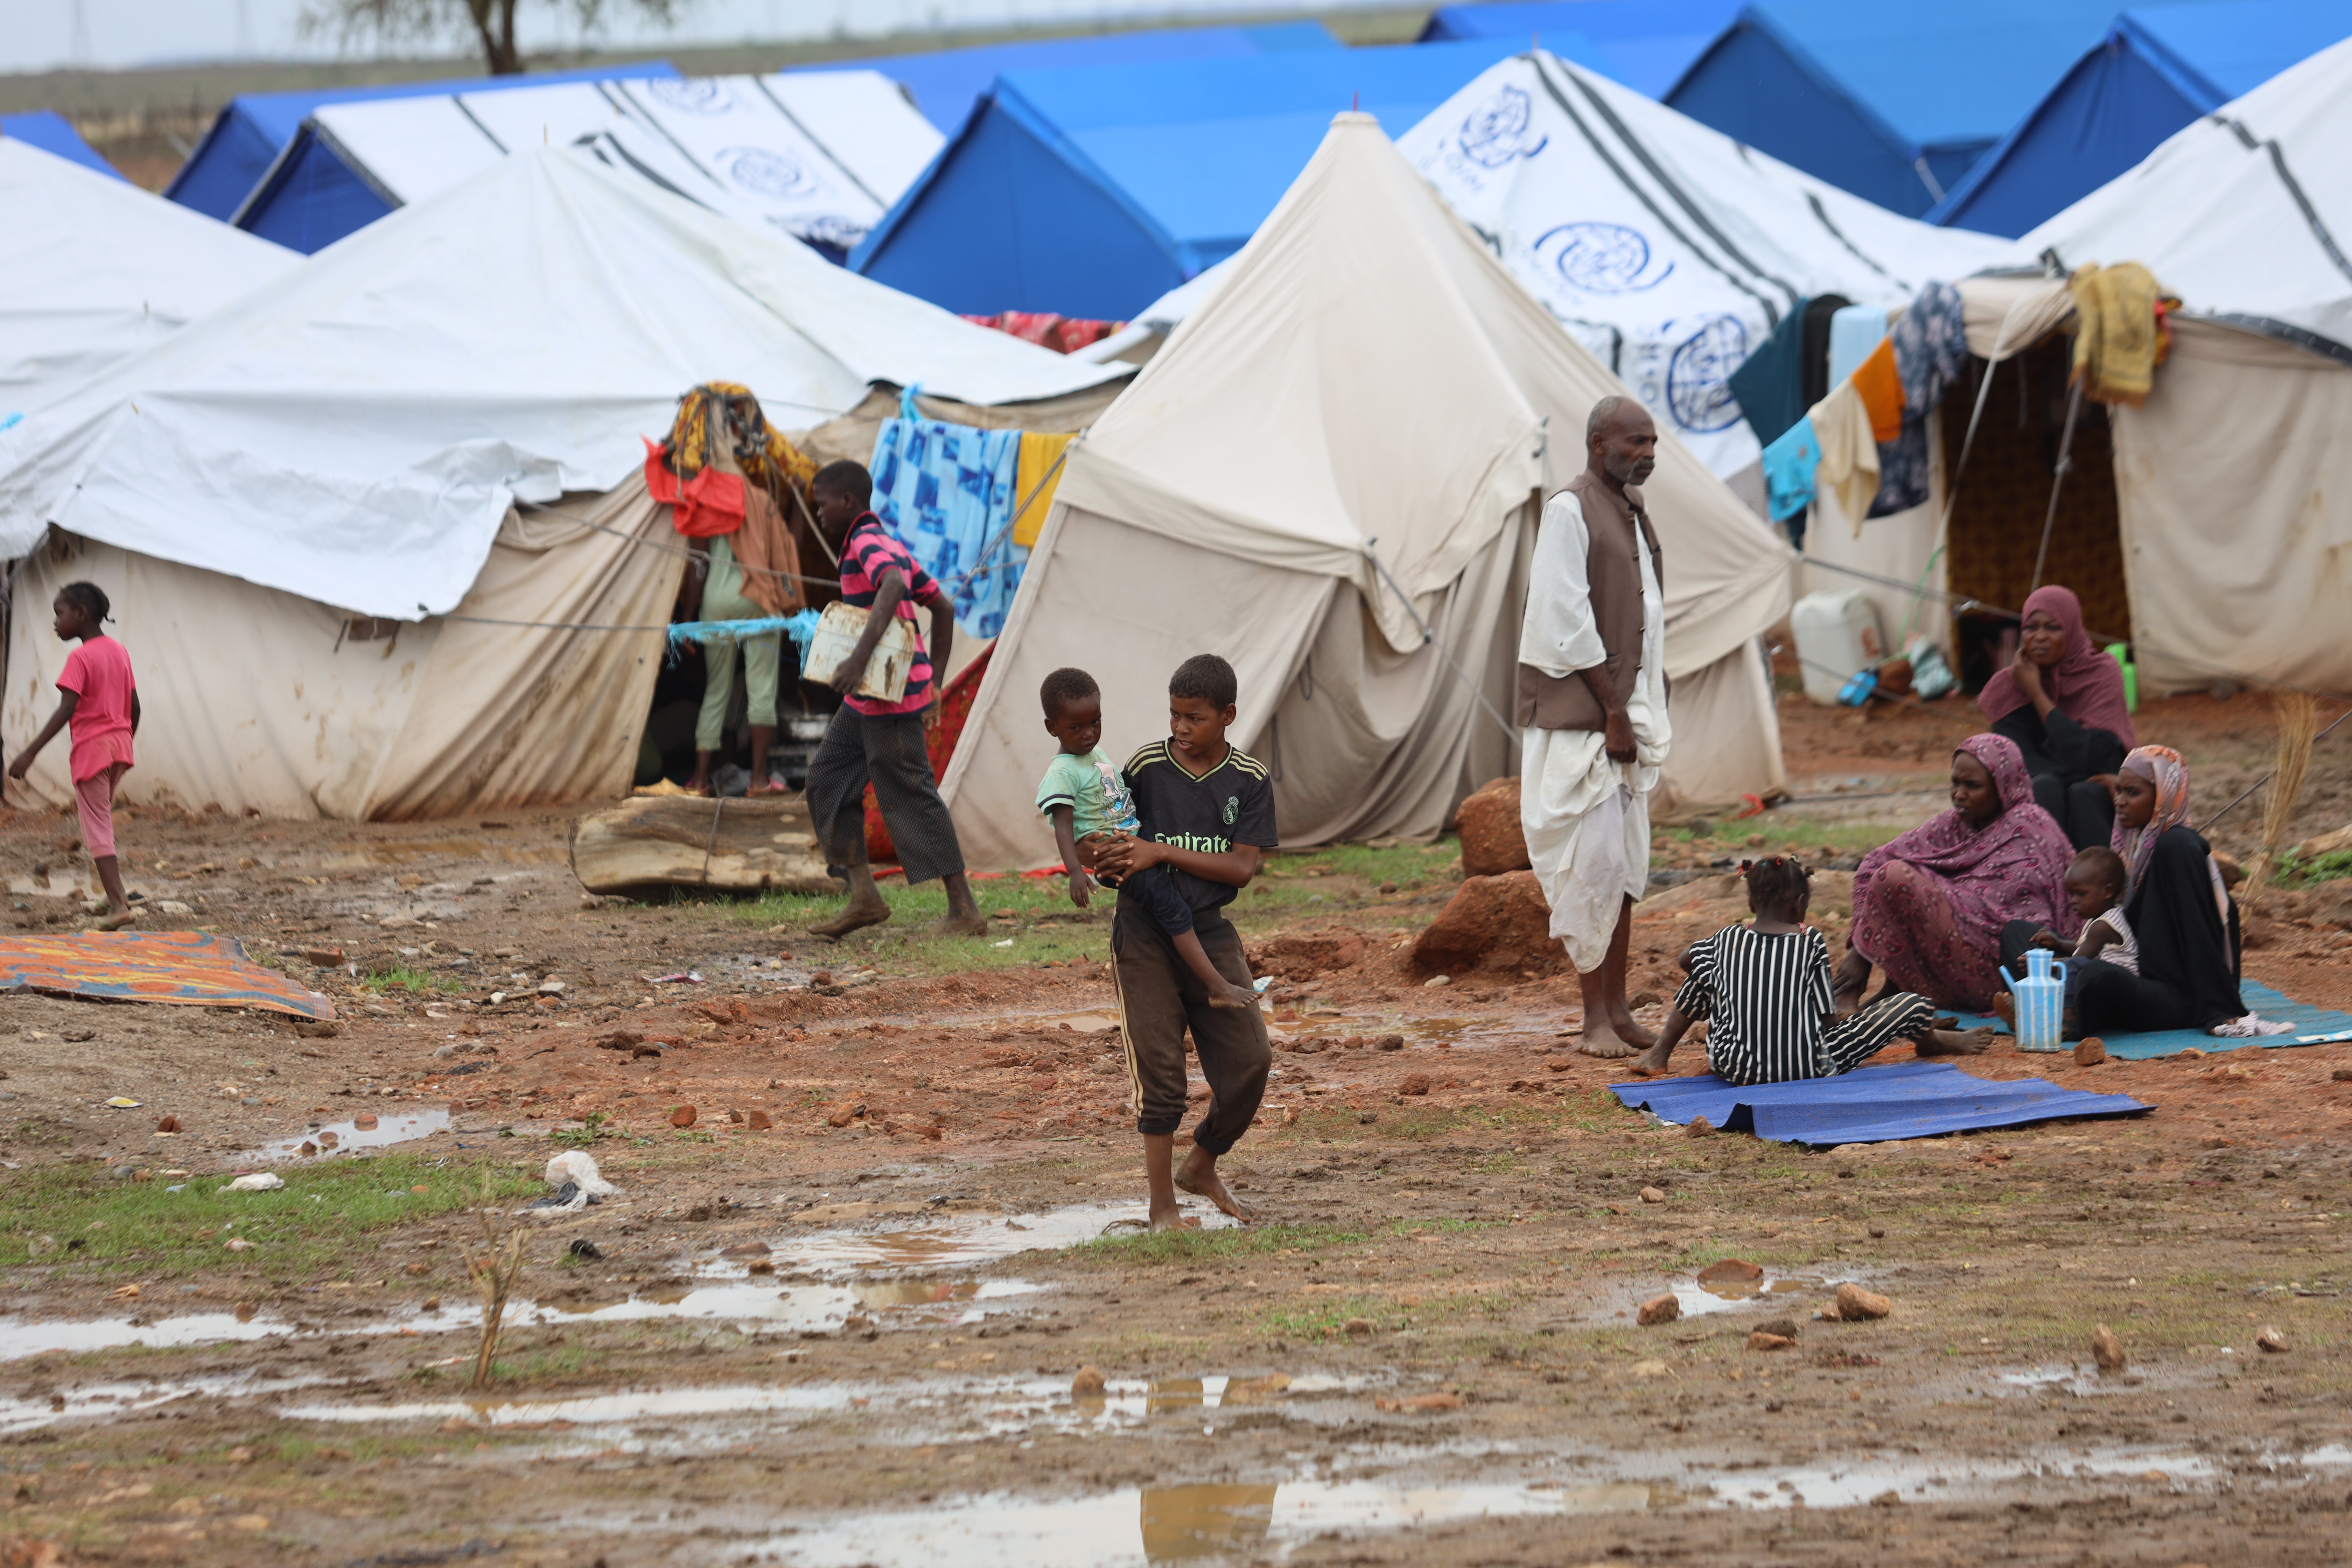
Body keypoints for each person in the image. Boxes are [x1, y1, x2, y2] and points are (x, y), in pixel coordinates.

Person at [1089, 655, 1275, 1232]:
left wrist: (1162, 851)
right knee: (1161, 1071)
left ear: (1228, 716)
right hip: (1144, 936)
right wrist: (1106, 857)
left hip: (1211, 934)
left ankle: (1202, 1164)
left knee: (1251, 1060)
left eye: (1194, 718)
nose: (1180, 729)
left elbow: (1243, 869)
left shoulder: (1250, 781)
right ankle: (1162, 1208)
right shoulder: (1146, 766)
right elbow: (1110, 840)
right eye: (1174, 716)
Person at [1519, 396, 1671, 1058]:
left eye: (1653, 444)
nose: (1648, 455)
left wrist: (1637, 711)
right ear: (1597, 441)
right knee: (1592, 867)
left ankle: (1619, 1008)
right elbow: (1565, 620)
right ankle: (1593, 1021)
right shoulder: (1568, 510)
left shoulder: (1633, 512)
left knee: (1626, 870)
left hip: (1625, 724)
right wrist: (1612, 710)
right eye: (1636, 442)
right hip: (1588, 724)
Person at [801, 460, 986, 940]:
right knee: (828, 777)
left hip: (889, 696)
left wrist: (859, 660)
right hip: (870, 697)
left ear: (847, 503)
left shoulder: (868, 542)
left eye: (822, 504)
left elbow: (895, 586)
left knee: (910, 795)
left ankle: (964, 911)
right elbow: (940, 606)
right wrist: (937, 683)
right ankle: (864, 896)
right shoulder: (885, 542)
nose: (818, 513)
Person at [1629, 856, 1990, 1083]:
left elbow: (1684, 961)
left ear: (1751, 901)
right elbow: (1826, 1022)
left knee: (1703, 972)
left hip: (1733, 1067)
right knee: (1911, 1004)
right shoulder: (1811, 942)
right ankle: (1930, 1041)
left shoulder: (1726, 940)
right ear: (1801, 904)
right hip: (1807, 1067)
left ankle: (1659, 1054)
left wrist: (1726, 973)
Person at [1035, 666, 1256, 1011]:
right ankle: (1217, 985)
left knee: (1172, 906)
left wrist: (1152, 847)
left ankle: (1211, 981)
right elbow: (1063, 826)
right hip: (1120, 858)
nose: (1089, 733)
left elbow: (1118, 802)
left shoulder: (1096, 757)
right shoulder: (1063, 772)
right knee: (1175, 911)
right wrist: (1077, 869)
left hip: (1134, 848)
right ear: (1053, 728)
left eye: (1096, 722)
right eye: (1076, 727)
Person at [2005, 745, 2253, 1038]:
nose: (2120, 802)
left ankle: (2053, 1013)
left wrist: (2220, 1009)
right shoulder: (2134, 849)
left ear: (2163, 795)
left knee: (2095, 975)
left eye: (2133, 793)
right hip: (2131, 971)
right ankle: (2052, 1009)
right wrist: (2059, 946)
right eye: (2119, 791)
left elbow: (2199, 930)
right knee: (2017, 934)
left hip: (2173, 997)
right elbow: (2120, 938)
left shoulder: (2178, 847)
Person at [644, 383, 812, 797]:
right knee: (761, 688)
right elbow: (789, 548)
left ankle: (700, 780)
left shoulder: (704, 493)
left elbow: (697, 561)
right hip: (756, 600)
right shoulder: (761, 496)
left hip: (715, 604)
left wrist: (687, 616)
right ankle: (757, 779)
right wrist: (800, 509)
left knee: (715, 690)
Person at [1835, 733, 2077, 1015]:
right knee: (1894, 874)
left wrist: (1931, 890)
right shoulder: (1954, 824)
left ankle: (1858, 995)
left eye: (1972, 786)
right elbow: (1874, 863)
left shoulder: (2031, 830)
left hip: (2008, 975)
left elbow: (2035, 925)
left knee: (1898, 878)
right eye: (1955, 783)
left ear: (2003, 786)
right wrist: (1858, 947)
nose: (1959, 794)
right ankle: (1866, 994)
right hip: (1952, 961)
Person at [8, 583, 142, 930]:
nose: (56, 622)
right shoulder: (119, 651)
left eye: (59, 613)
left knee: (97, 828)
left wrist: (29, 753)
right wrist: (125, 739)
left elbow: (67, 709)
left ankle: (117, 904)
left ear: (81, 614)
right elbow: (135, 706)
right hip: (119, 747)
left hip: (92, 750)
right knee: (103, 821)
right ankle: (115, 895)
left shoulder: (80, 658)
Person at [1976, 586, 2134, 850]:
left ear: (2071, 629)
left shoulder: (2100, 673)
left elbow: (2100, 755)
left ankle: (2103, 885)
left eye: (2052, 628)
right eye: (2031, 628)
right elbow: (2019, 763)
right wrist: (2030, 689)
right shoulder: (2008, 687)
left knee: (2085, 794)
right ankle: (2045, 881)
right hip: (2043, 797)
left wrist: (2038, 695)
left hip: (2096, 797)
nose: (2040, 637)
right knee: (2045, 787)